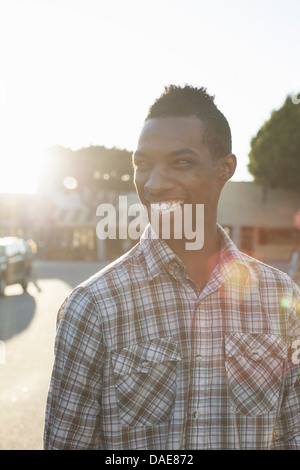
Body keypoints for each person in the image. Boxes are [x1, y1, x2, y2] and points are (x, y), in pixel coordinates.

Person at [44, 85, 300, 450]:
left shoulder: (283, 298)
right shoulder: (92, 308)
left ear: (225, 168)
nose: (154, 184)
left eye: (181, 162)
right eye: (143, 165)